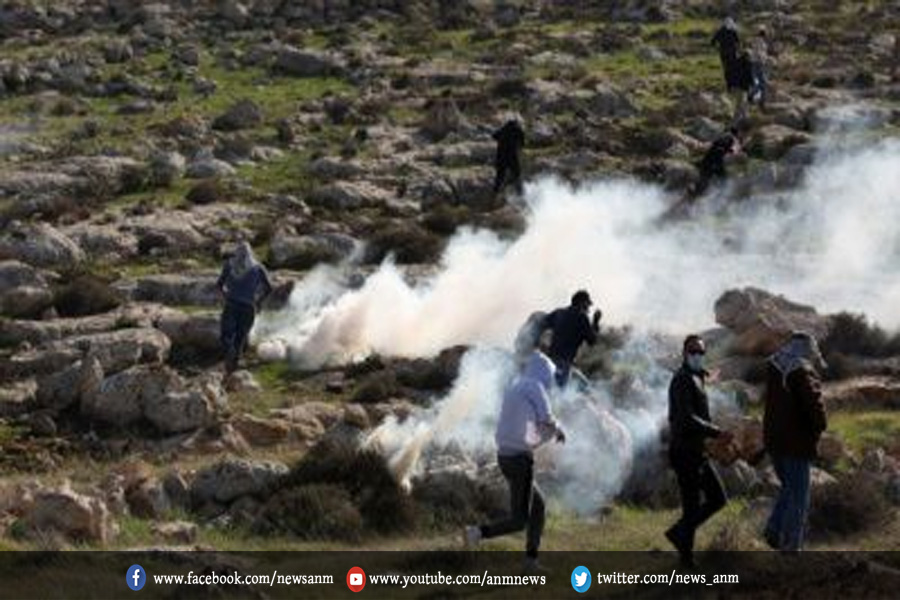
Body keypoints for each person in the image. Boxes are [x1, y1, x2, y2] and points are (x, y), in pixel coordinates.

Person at [464, 349, 565, 568]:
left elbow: (524, 426)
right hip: (520, 460)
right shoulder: (536, 387)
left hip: (504, 457)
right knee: (520, 520)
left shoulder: (516, 386)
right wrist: (558, 430)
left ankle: (531, 560)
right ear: (545, 373)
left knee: (538, 507)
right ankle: (478, 532)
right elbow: (546, 419)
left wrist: (545, 433)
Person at [665, 335, 731, 567]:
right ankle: (686, 558)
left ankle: (679, 533)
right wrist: (716, 432)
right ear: (684, 353)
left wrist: (711, 438)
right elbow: (686, 417)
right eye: (693, 351)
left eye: (701, 352)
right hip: (684, 452)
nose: (697, 356)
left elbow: (699, 414)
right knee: (692, 505)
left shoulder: (697, 377)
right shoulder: (682, 379)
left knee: (717, 499)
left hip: (696, 451)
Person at [763, 332, 828, 552]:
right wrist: (821, 424)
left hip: (774, 441)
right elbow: (814, 404)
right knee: (799, 497)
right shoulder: (801, 370)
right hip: (796, 443)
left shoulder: (775, 366)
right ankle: (791, 545)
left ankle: (773, 530)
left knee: (789, 489)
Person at [217, 241, 273, 373]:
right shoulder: (258, 268)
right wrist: (258, 301)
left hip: (231, 305)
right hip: (249, 307)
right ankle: (233, 367)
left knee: (226, 335)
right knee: (240, 338)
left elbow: (219, 285)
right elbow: (269, 288)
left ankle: (229, 358)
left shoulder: (229, 266)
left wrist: (226, 295)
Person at [539, 290, 602, 387]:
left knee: (550, 388)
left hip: (549, 361)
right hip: (564, 362)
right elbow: (592, 341)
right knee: (559, 391)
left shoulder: (559, 312)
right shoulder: (582, 318)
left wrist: (538, 345)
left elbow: (542, 324)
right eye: (587, 304)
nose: (588, 308)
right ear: (581, 303)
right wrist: (596, 322)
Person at [692, 127, 742, 198]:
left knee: (703, 180)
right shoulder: (733, 139)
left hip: (707, 158)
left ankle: (694, 192)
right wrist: (735, 153)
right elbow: (734, 151)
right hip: (716, 160)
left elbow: (708, 145)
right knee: (723, 180)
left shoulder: (721, 136)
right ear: (736, 134)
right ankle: (720, 196)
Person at [492, 117, 525, 195]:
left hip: (500, 156)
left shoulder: (503, 129)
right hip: (512, 156)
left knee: (500, 175)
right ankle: (520, 193)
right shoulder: (518, 130)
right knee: (517, 173)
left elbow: (494, 136)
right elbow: (522, 143)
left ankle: (496, 192)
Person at [748, 27, 771, 110]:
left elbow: (756, 51)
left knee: (758, 81)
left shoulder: (756, 41)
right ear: (764, 34)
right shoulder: (760, 42)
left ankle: (755, 97)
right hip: (759, 63)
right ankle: (759, 100)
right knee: (763, 83)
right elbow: (759, 52)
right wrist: (763, 59)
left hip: (755, 63)